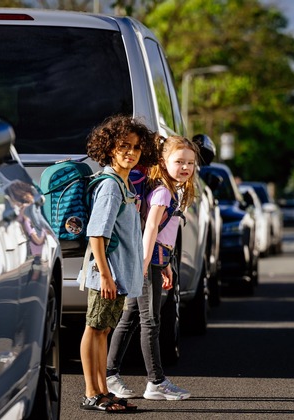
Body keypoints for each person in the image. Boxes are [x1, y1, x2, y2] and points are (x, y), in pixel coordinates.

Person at [106, 135, 199, 401]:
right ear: (163, 162)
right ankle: (155, 382)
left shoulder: (172, 189)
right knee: (150, 322)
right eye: (179, 161)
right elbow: (149, 230)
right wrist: (145, 266)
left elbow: (163, 235)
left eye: (190, 163)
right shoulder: (162, 192)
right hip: (146, 263)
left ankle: (111, 375)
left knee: (130, 318)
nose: (185, 167)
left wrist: (165, 263)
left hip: (154, 261)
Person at [79, 114, 158, 412]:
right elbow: (97, 234)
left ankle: (102, 391)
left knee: (103, 330)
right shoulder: (110, 185)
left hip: (118, 274)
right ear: (110, 148)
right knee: (93, 327)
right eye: (124, 146)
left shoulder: (125, 185)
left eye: (136, 148)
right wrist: (105, 275)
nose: (131, 152)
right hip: (107, 275)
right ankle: (91, 392)